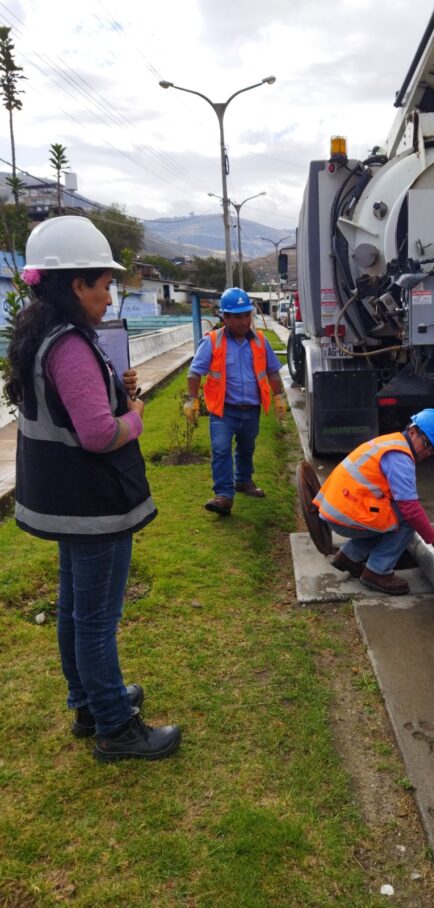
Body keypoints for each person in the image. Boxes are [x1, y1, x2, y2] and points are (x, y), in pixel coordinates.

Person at [6, 215, 181, 761]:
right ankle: (115, 726)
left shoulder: (44, 335)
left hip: (63, 503)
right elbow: (100, 432)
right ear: (76, 284)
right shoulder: (71, 345)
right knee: (97, 620)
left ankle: (87, 702)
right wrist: (134, 415)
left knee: (75, 612)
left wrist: (112, 387)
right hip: (93, 506)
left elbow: (69, 403)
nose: (110, 297)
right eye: (104, 285)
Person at [313, 409, 434, 595]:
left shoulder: (392, 442)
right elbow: (410, 510)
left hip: (337, 509)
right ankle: (378, 572)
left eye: (433, 450)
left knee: (388, 516)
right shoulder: (400, 458)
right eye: (426, 444)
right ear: (412, 431)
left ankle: (349, 557)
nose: (427, 452)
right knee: (404, 519)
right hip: (345, 515)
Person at [184, 287, 287, 515]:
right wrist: (192, 400)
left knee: (246, 447)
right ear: (225, 317)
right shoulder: (212, 342)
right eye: (237, 316)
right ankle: (223, 495)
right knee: (221, 450)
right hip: (224, 411)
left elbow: (272, 371)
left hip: (251, 409)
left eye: (247, 315)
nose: (243, 321)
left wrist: (278, 397)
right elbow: (194, 373)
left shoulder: (260, 341)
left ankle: (243, 480)